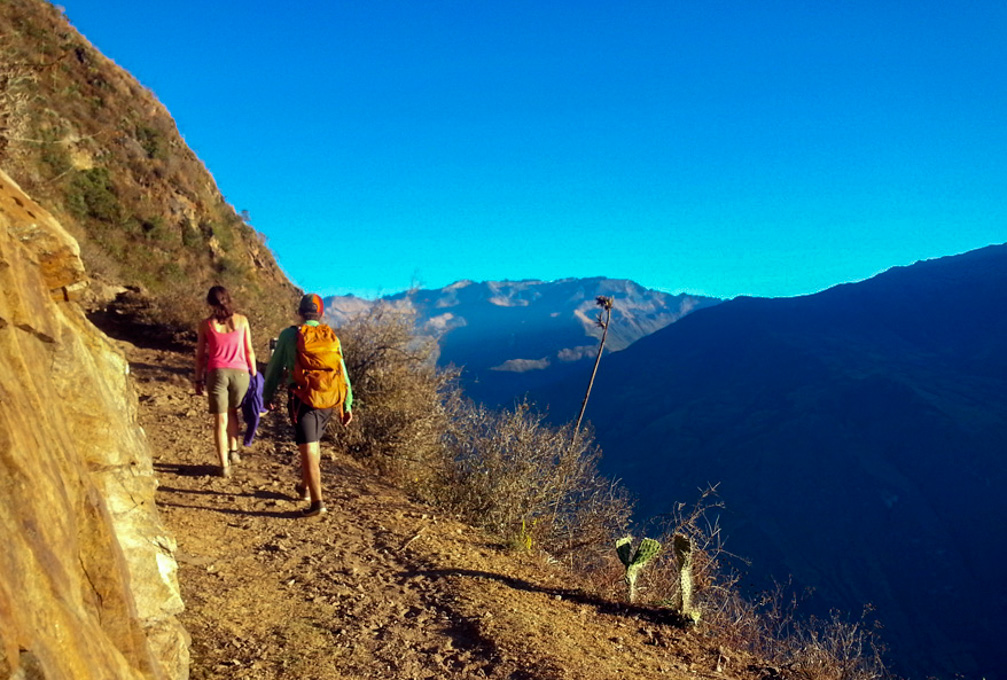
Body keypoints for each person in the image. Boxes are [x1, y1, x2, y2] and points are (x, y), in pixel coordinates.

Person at [263, 293, 353, 517]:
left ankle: (317, 502)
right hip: (329, 398)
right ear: (320, 314)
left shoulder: (289, 335)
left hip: (303, 397)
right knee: (313, 444)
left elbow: (275, 367)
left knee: (309, 446)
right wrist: (347, 404)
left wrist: (267, 395)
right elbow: (343, 372)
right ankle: (304, 488)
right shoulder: (331, 337)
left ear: (300, 313)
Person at [194, 286, 257, 477]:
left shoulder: (206, 325)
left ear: (210, 303)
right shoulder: (243, 320)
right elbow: (249, 351)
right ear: (228, 299)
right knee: (233, 412)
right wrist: (254, 375)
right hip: (241, 374)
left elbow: (200, 356)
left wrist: (198, 379)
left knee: (220, 420)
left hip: (217, 373)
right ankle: (234, 452)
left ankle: (224, 466)